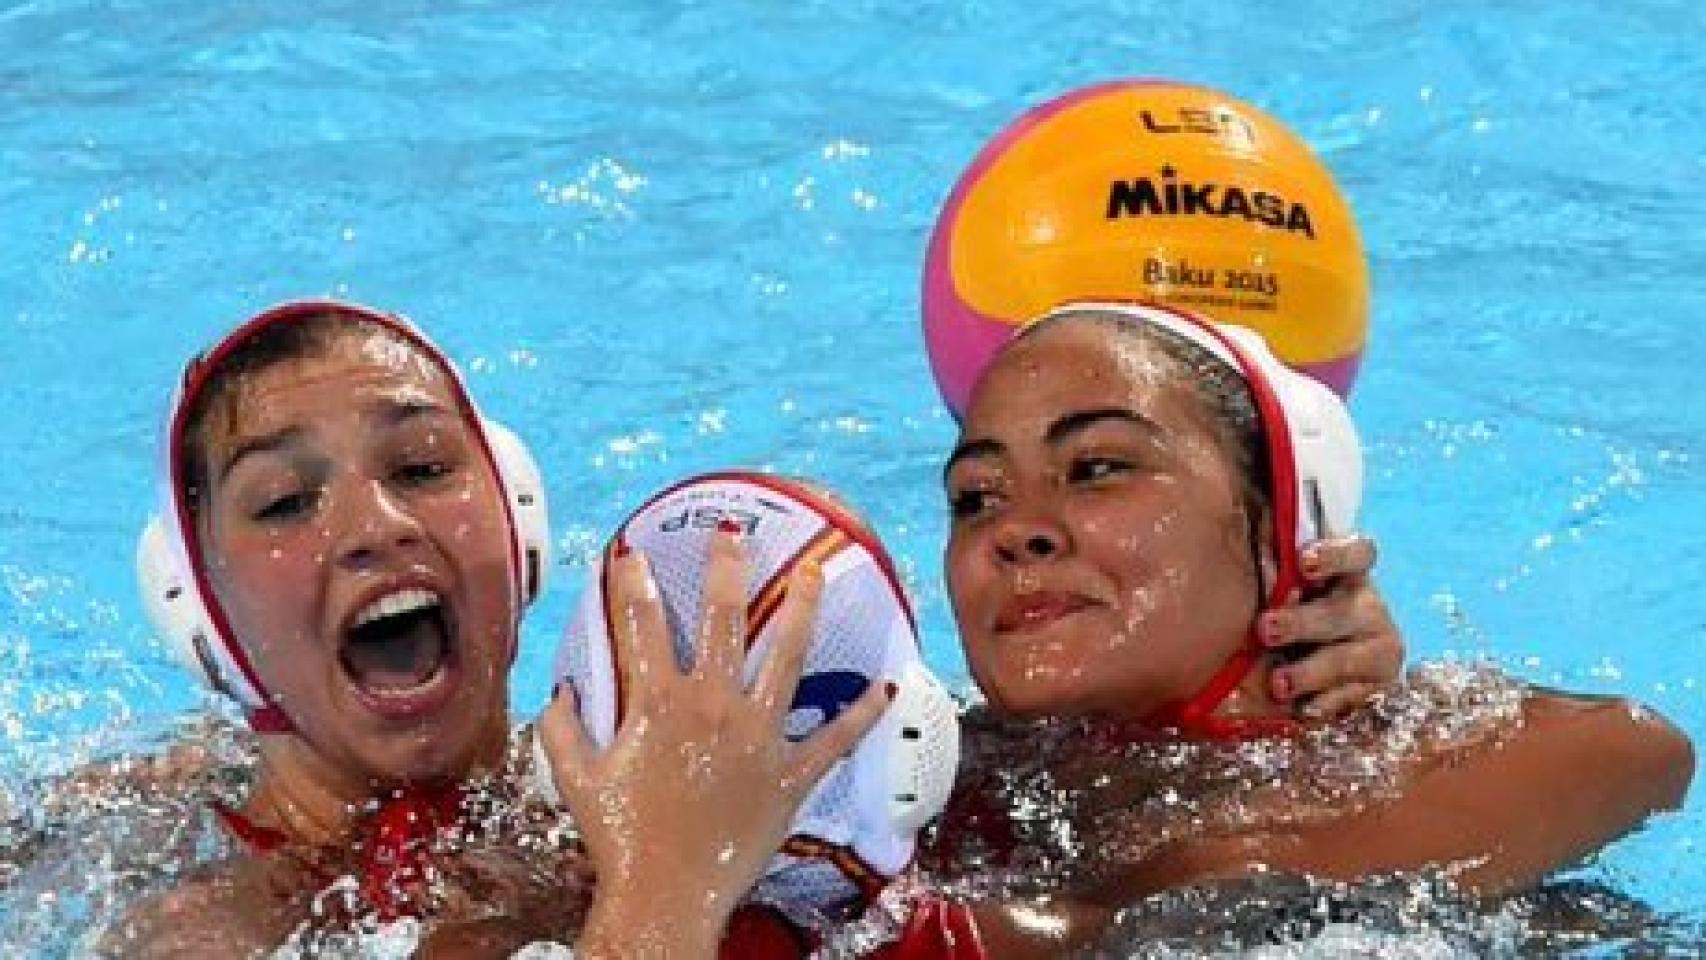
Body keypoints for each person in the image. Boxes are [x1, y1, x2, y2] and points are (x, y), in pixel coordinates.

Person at [105, 299, 890, 958]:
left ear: (521, 528)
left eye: (420, 467)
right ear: (199, 610)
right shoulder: (208, 923)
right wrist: (667, 887)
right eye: (283, 503)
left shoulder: (637, 788)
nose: (373, 526)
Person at [906, 301, 1695, 955]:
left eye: (1098, 467)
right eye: (976, 495)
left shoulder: (1424, 750)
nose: (1014, 530)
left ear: (1276, 531)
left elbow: (1639, 751)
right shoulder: (924, 775)